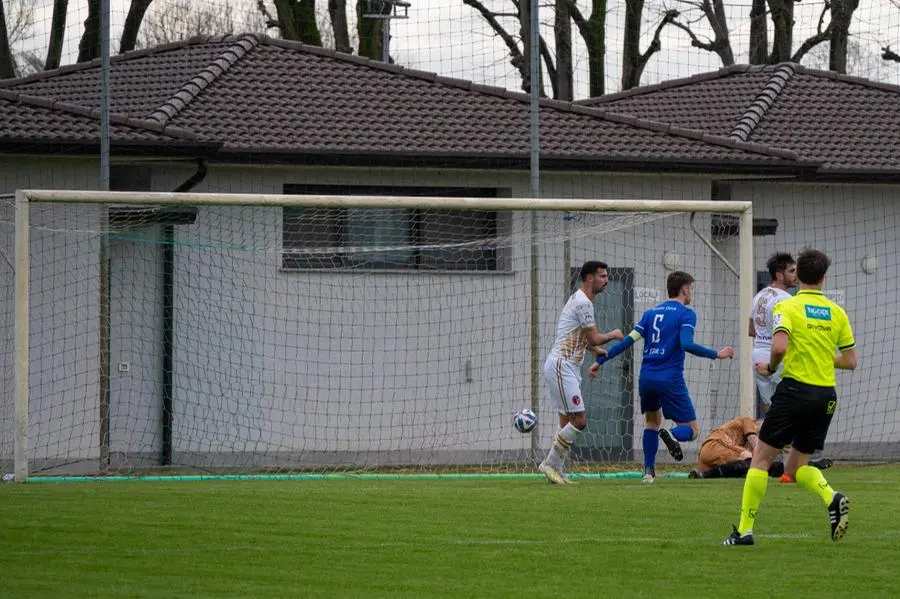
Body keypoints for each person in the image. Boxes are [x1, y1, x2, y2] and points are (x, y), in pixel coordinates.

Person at [723, 249, 856, 546]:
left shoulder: (789, 306)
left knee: (759, 460)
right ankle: (832, 497)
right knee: (795, 468)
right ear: (823, 277)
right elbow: (850, 361)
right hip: (825, 397)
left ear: (801, 277)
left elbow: (780, 347)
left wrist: (770, 367)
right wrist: (822, 354)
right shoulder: (837, 312)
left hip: (794, 390)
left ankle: (744, 531)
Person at [589, 271, 734, 483]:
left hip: (647, 377)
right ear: (685, 289)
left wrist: (600, 361)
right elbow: (686, 344)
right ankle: (673, 435)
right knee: (692, 430)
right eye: (691, 288)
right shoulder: (686, 313)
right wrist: (716, 354)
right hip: (670, 378)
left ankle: (648, 472)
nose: (691, 292)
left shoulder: (650, 314)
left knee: (651, 422)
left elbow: (627, 341)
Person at [538, 261, 624, 484]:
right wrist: (613, 334)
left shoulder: (581, 299)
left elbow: (581, 337)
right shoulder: (584, 302)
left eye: (607, 276)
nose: (606, 281)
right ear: (589, 278)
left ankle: (553, 471)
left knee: (566, 421)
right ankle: (549, 464)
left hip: (565, 366)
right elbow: (593, 336)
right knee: (580, 420)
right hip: (562, 365)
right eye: (602, 276)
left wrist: (594, 350)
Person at [688, 416, 832, 479]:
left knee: (747, 466)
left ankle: (703, 475)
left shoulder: (738, 445)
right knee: (757, 462)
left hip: (708, 460)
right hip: (715, 444)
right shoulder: (748, 421)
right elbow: (754, 441)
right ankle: (805, 466)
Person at [750, 253, 798, 416]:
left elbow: (751, 330)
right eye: (791, 271)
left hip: (758, 355)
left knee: (769, 404)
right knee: (789, 404)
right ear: (779, 274)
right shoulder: (786, 299)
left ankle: (770, 439)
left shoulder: (759, 296)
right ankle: (787, 441)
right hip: (777, 357)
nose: (795, 275)